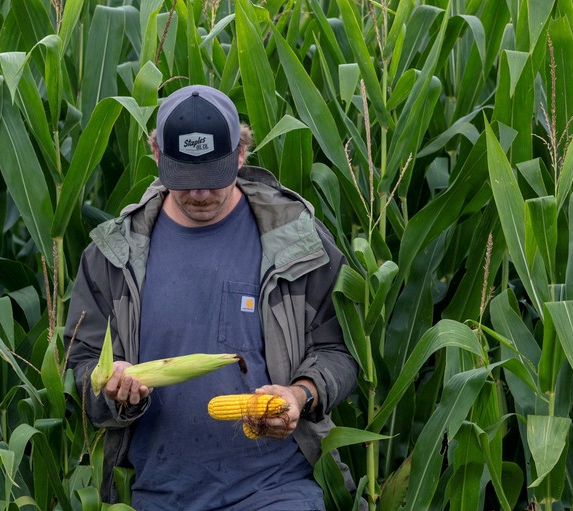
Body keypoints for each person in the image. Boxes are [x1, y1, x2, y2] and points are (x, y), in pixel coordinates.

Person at [63, 85, 360, 510]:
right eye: (185, 181)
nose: (200, 195)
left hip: (274, 489)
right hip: (158, 494)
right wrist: (110, 387)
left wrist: (300, 394)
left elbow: (340, 350)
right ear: (156, 155)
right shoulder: (113, 256)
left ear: (241, 154)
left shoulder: (296, 241)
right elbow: (81, 362)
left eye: (212, 179)